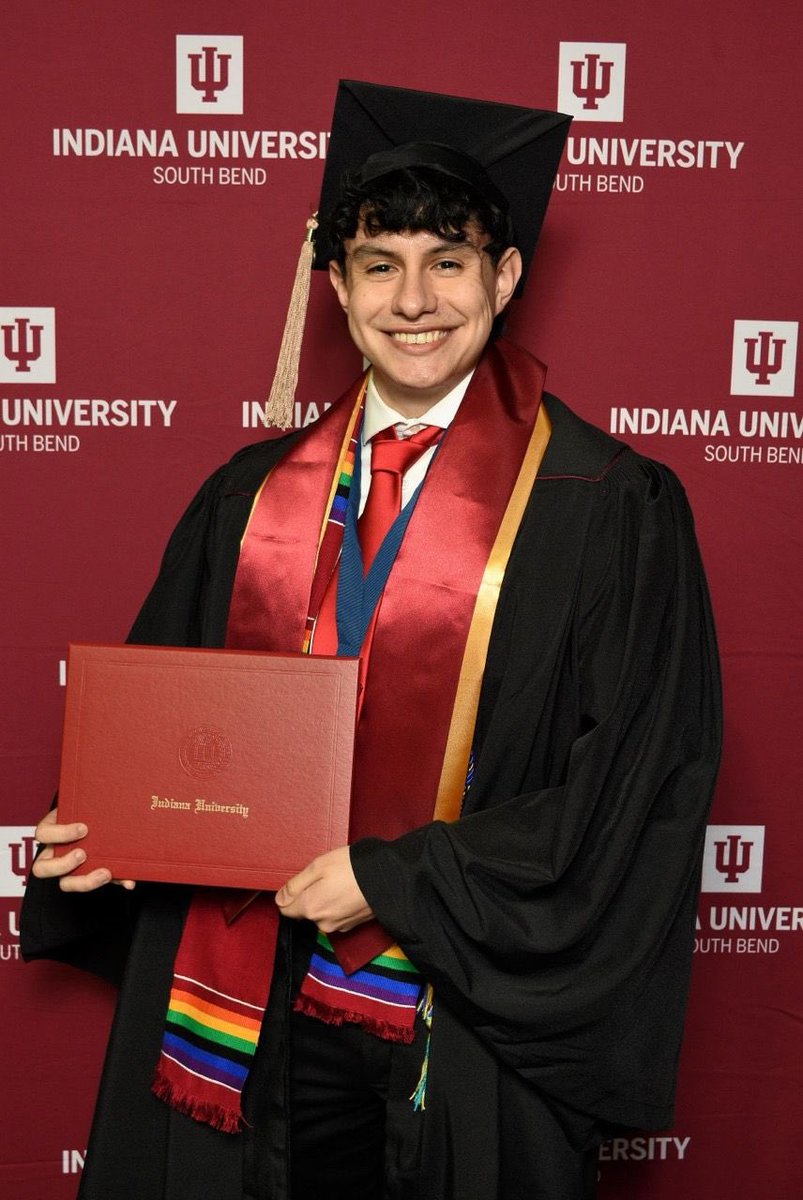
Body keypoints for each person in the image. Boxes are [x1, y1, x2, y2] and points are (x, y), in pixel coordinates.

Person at [22, 81, 721, 1200]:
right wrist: (117, 826)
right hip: (254, 1009)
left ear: (504, 277)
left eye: (447, 260)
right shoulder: (248, 496)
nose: (413, 299)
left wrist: (395, 881)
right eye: (378, 263)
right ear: (336, 287)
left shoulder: (605, 506)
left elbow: (630, 792)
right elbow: (179, 735)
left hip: (460, 1015)